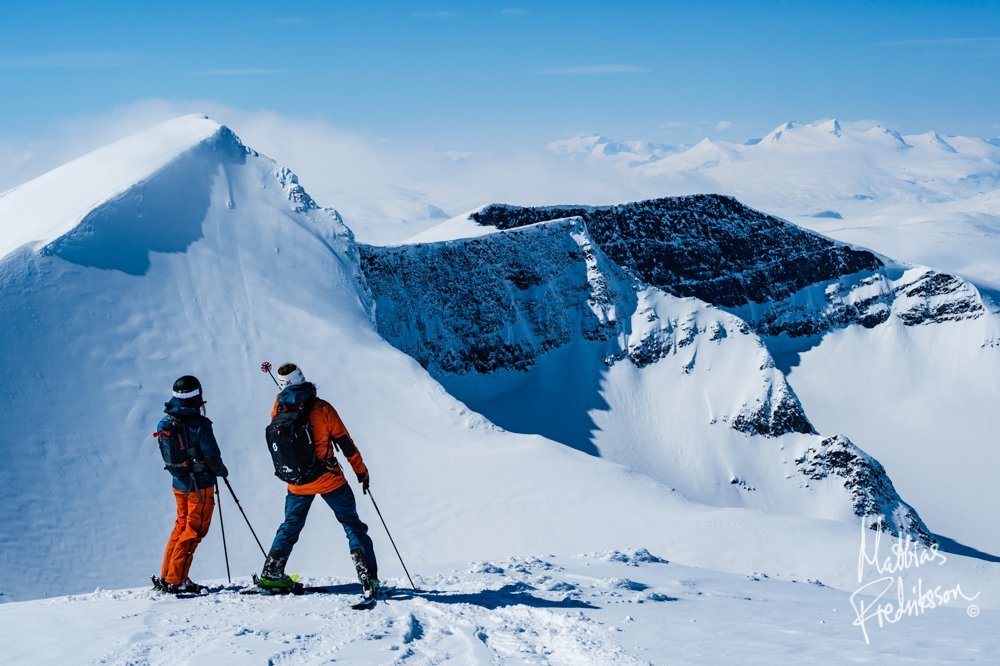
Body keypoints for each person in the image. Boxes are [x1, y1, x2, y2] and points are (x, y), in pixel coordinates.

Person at [259, 363, 379, 598]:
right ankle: (367, 578)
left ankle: (272, 572)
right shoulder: (322, 408)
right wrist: (361, 472)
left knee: (290, 526)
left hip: (297, 481)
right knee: (352, 525)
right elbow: (345, 443)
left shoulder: (278, 407)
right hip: (328, 479)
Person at [151, 375, 228, 594]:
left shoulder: (166, 421)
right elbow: (212, 456)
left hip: (179, 483)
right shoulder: (199, 424)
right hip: (200, 486)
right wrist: (221, 471)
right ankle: (177, 580)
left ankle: (167, 575)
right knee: (194, 530)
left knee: (181, 526)